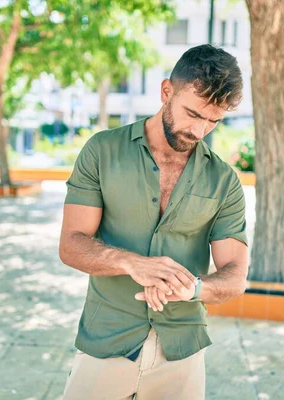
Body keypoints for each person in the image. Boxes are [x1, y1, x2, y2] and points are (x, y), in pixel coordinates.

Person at [59, 44, 249, 400]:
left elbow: (235, 276)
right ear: (166, 92)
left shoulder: (224, 181)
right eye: (192, 113)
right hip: (107, 338)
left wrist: (192, 287)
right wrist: (132, 263)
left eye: (213, 121)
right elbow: (71, 244)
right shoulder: (102, 151)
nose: (200, 130)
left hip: (182, 347)